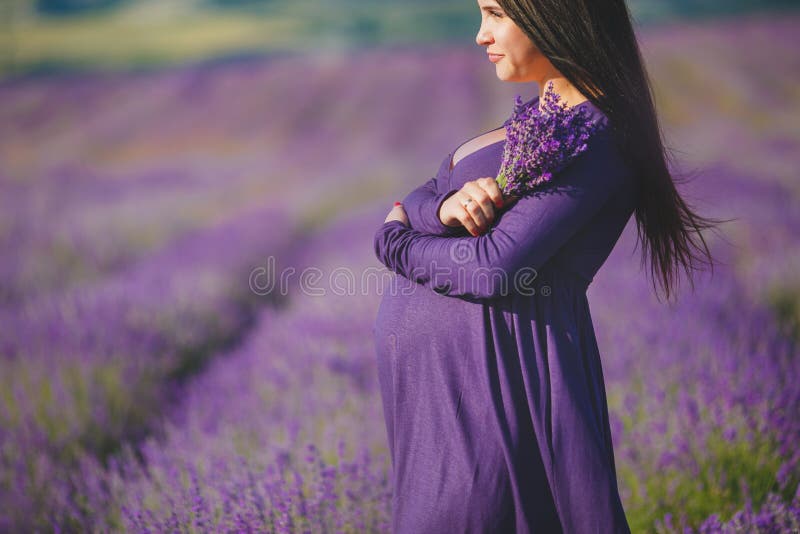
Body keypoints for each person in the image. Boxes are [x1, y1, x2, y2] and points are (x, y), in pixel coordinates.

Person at [372, 0, 720, 532]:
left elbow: (491, 267)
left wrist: (394, 243)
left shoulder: (595, 136)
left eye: (495, 13)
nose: (480, 35)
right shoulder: (539, 124)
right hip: (447, 395)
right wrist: (442, 207)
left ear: (558, 14)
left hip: (502, 382)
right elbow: (422, 194)